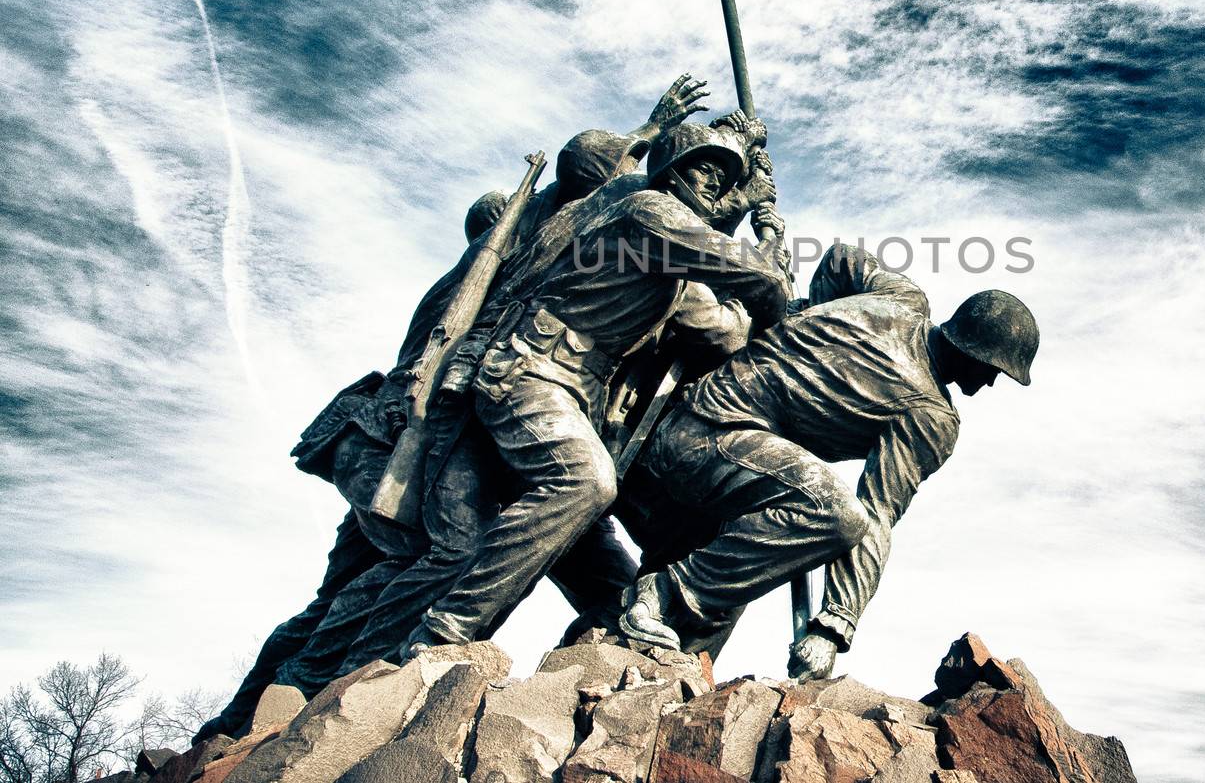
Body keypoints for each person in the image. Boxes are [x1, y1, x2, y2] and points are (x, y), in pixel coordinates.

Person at [192, 77, 710, 740]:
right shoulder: (497, 262)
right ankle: (330, 695)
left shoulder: (518, 266)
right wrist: (648, 136)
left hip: (414, 435)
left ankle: (264, 711)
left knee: (368, 585)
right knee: (438, 555)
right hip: (391, 436)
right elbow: (582, 187)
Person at [397, 120, 792, 656]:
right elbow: (759, 281)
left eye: (724, 179)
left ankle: (601, 655)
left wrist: (765, 255)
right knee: (584, 482)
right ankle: (445, 632)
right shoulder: (649, 212)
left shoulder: (670, 255)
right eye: (704, 168)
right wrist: (768, 247)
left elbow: (721, 329)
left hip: (579, 393)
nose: (713, 185)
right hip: (531, 369)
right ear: (671, 170)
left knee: (608, 574)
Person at [616, 244, 1038, 682]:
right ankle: (662, 594)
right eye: (994, 369)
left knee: (733, 584)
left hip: (701, 440)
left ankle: (653, 673)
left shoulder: (902, 296)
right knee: (834, 513)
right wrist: (834, 625)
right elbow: (873, 514)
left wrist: (807, 315)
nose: (990, 382)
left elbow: (840, 259)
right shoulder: (931, 416)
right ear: (974, 352)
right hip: (706, 441)